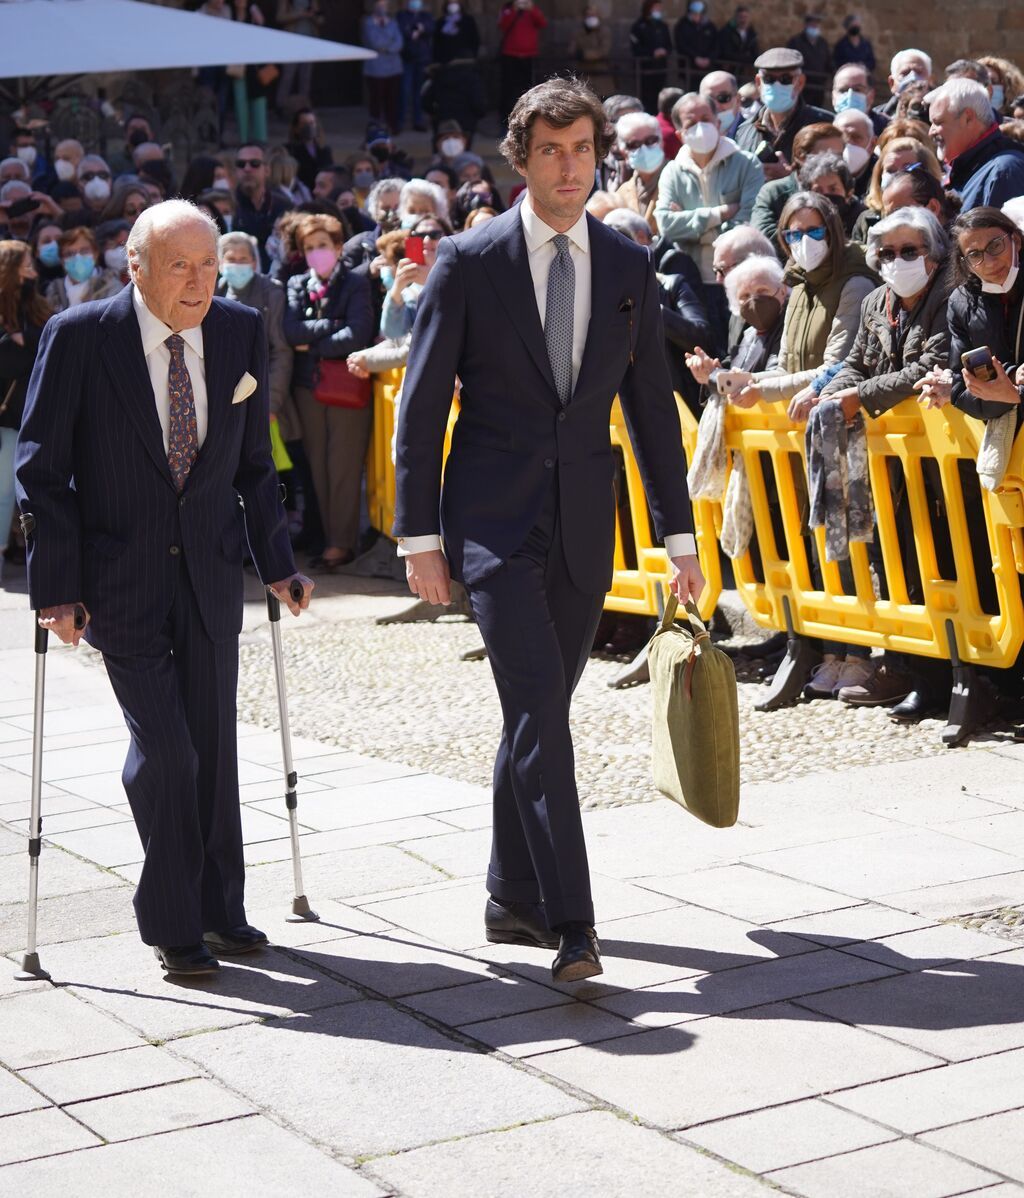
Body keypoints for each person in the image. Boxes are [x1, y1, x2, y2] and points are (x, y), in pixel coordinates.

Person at [393, 78, 703, 984]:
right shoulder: (468, 260)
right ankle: (575, 923)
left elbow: (649, 412)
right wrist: (420, 539)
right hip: (489, 525)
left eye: (582, 151)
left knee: (539, 712)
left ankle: (509, 891)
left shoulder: (626, 264)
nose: (569, 168)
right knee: (539, 713)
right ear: (521, 161)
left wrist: (679, 540)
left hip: (582, 528)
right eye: (551, 152)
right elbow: (418, 411)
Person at [15, 199, 312, 975]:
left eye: (208, 262)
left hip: (213, 577)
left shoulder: (241, 329)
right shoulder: (80, 337)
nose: (198, 280)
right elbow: (43, 472)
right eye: (179, 264)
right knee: (170, 750)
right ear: (135, 267)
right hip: (121, 580)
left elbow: (254, 467)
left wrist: (277, 563)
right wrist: (56, 587)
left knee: (210, 751)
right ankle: (172, 919)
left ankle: (221, 912)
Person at [817, 206, 954, 713]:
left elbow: (932, 361)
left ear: (934, 255)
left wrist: (860, 397)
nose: (897, 261)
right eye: (888, 252)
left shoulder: (949, 295)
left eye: (910, 251)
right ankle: (902, 664)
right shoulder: (877, 300)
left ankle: (946, 675)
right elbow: (855, 361)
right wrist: (827, 395)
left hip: (940, 465)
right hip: (889, 465)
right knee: (893, 561)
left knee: (940, 559)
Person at [284, 213, 374, 570]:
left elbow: (358, 333)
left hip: (346, 386)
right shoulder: (295, 284)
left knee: (343, 467)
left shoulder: (355, 283)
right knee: (318, 468)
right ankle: (329, 539)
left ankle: (342, 543)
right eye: (309, 247)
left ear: (338, 246)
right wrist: (330, 327)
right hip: (308, 388)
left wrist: (315, 342)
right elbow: (291, 331)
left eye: (322, 245)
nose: (316, 253)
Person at [655, 91, 764, 353]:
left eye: (706, 118)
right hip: (690, 285)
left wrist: (691, 225)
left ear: (718, 122)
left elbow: (749, 224)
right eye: (691, 123)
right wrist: (721, 213)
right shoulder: (672, 171)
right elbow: (666, 225)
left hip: (737, 280)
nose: (701, 127)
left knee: (737, 353)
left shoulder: (747, 164)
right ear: (680, 133)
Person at [215, 230, 295, 455]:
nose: (237, 264)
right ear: (220, 262)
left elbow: (280, 351)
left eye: (243, 259)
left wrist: (271, 403)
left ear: (253, 261)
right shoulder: (213, 292)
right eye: (231, 259)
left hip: (263, 394)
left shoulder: (272, 293)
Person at [0, 241, 51, 586]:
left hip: (35, 415)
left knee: (27, 491)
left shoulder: (36, 304)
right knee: (3, 492)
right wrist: (13, 344)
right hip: (6, 417)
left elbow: (46, 352)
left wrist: (22, 342)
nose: (33, 267)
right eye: (26, 262)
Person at [947, 207, 1024, 427]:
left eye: (996, 246)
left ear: (1016, 241)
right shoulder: (960, 302)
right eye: (975, 255)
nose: (990, 262)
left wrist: (1016, 395)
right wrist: (1007, 389)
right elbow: (959, 389)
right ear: (965, 263)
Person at [735, 48, 834, 180]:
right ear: (759, 82)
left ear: (800, 82)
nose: (776, 85)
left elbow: (833, 183)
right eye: (768, 78)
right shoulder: (744, 131)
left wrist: (790, 180)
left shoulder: (825, 128)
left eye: (785, 79)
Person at [926, 78, 1024, 212]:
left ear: (968, 118)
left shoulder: (1004, 172)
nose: (931, 132)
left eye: (938, 122)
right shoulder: (968, 168)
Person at [750, 121, 844, 248]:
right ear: (802, 156)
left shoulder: (842, 190)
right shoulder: (774, 192)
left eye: (840, 155)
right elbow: (763, 236)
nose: (834, 161)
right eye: (827, 155)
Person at [233, 143, 291, 272]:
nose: (247, 169)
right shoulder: (228, 207)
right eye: (241, 164)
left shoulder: (284, 206)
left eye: (254, 163)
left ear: (267, 170)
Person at [613, 111, 667, 234]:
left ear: (662, 142)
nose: (644, 148)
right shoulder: (621, 193)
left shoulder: (681, 177)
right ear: (623, 152)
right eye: (634, 144)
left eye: (651, 140)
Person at [45, 227, 121, 312]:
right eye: (69, 254)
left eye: (84, 251)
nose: (78, 257)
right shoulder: (54, 291)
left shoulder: (113, 288)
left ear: (95, 254)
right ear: (62, 260)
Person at [498, 0, 547, 131]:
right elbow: (502, 25)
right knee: (508, 88)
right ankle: (505, 121)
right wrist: (514, 10)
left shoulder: (532, 10)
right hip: (510, 54)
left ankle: (527, 119)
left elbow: (542, 23)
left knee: (528, 87)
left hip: (528, 56)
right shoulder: (507, 9)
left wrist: (532, 10)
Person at [798, 150, 864, 236]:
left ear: (849, 193)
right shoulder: (801, 225)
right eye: (818, 191)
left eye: (833, 189)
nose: (826, 196)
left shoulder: (862, 222)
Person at [362, 1, 404, 135]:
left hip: (394, 68)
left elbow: (399, 42)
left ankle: (393, 126)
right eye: (379, 4)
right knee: (376, 99)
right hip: (375, 69)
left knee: (392, 99)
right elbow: (374, 42)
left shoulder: (393, 22)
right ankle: (376, 127)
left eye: (384, 5)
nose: (382, 8)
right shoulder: (368, 23)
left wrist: (387, 48)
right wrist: (388, 43)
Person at [275, 0, 323, 111]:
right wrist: (299, 14)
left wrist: (313, 16)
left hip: (309, 42)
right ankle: (280, 107)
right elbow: (280, 17)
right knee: (288, 76)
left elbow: (321, 19)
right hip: (291, 43)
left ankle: (304, 108)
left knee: (306, 78)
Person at [396, 0, 434, 132]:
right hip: (407, 59)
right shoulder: (401, 15)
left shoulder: (426, 16)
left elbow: (430, 28)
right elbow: (403, 29)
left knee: (418, 92)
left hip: (422, 59)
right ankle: (399, 122)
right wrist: (417, 28)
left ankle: (418, 121)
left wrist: (420, 29)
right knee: (404, 91)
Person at [629, 1, 672, 118]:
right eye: (656, 7)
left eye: (659, 7)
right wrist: (652, 53)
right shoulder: (638, 27)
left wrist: (664, 51)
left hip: (660, 70)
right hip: (645, 71)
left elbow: (669, 46)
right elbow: (636, 48)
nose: (659, 10)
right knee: (646, 100)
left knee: (659, 99)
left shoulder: (663, 26)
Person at [874, 48, 933, 126]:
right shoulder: (877, 120)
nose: (913, 78)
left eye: (919, 72)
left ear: (930, 80)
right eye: (905, 73)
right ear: (892, 83)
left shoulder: (941, 115)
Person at [568, 7, 614, 99]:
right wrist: (576, 53)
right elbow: (571, 49)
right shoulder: (578, 32)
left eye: (593, 15)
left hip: (600, 72)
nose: (591, 18)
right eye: (588, 15)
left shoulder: (604, 31)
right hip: (583, 72)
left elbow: (604, 51)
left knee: (601, 100)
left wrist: (585, 54)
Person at [787, 14, 831, 108]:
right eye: (812, 24)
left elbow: (829, 62)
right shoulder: (796, 42)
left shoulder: (823, 43)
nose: (815, 27)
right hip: (802, 87)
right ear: (806, 25)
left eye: (817, 25)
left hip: (819, 87)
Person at [832, 62, 886, 137]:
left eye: (857, 90)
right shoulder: (821, 131)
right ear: (833, 96)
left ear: (871, 96)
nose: (850, 95)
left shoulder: (887, 129)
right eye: (843, 90)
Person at [285, 109, 333, 191]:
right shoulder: (289, 150)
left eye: (312, 123)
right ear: (296, 128)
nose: (309, 127)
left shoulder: (325, 150)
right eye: (304, 124)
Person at [834, 108, 877, 196]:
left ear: (872, 144)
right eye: (841, 137)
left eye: (856, 137)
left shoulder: (881, 174)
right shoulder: (822, 171)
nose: (848, 144)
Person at [674, 1, 717, 88]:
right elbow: (681, 44)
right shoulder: (682, 25)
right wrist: (695, 57)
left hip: (707, 69)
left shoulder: (709, 26)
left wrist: (709, 58)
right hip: (688, 67)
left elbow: (716, 45)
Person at [700, 71, 743, 140]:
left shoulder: (752, 134)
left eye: (723, 98)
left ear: (738, 100)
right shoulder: (694, 133)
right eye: (709, 99)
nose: (716, 105)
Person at [716, 6, 758, 72]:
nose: (743, 20)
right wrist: (746, 58)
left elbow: (755, 53)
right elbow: (727, 53)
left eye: (745, 17)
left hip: (743, 70)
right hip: (728, 68)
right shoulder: (727, 32)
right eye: (741, 17)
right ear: (736, 18)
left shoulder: (752, 34)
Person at [77, 155, 113, 220]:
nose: (96, 180)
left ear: (111, 181)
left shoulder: (122, 211)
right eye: (88, 176)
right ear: (79, 184)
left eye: (103, 175)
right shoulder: (74, 215)